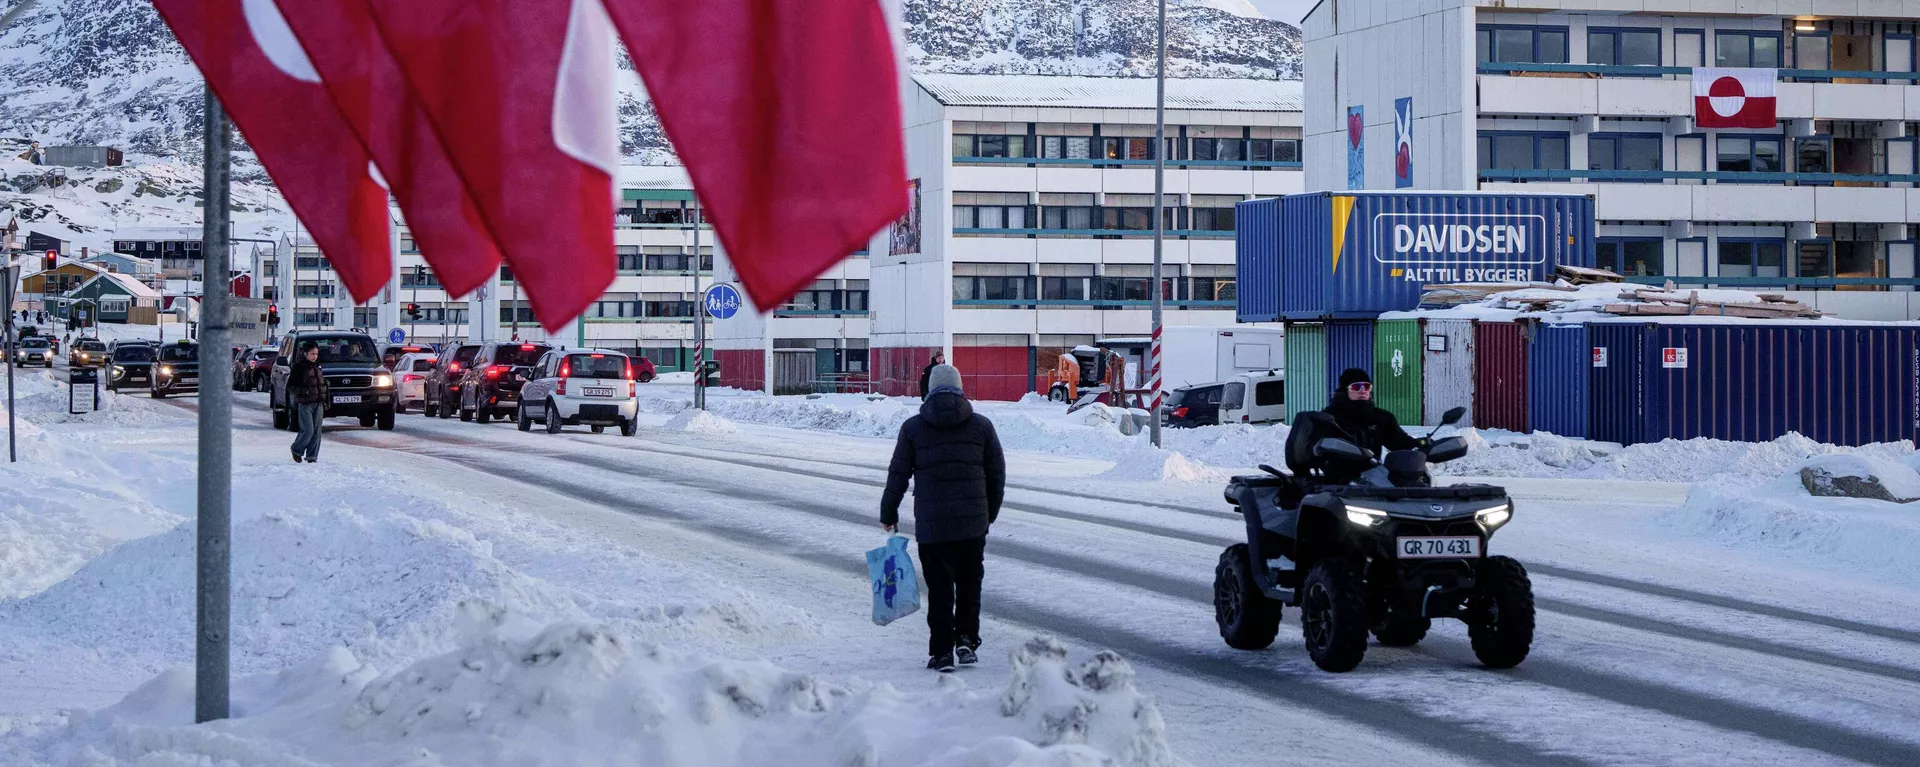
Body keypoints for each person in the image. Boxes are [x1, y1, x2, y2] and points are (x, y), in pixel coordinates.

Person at [880, 364, 1005, 672]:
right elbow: (997, 475)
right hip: (972, 524)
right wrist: (988, 514)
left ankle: (941, 653)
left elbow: (898, 474)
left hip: (932, 525)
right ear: (961, 389)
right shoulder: (982, 426)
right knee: (969, 583)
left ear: (930, 390)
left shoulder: (913, 428)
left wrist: (889, 511)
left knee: (939, 589)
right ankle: (965, 639)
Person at [1321, 367, 1418, 481]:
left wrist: (1420, 444)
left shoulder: (1382, 417)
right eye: (1356, 386)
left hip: (1374, 480)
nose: (1362, 390)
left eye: (1366, 386)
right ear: (1345, 390)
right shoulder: (1329, 417)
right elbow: (1318, 449)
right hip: (1337, 482)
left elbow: (1399, 443)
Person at [288, 341, 329, 464]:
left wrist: (325, 392)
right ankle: (296, 449)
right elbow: (290, 386)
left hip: (319, 403)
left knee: (317, 431)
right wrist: (304, 391)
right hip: (305, 403)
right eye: (312, 354)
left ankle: (312, 457)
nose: (315, 356)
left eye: (316, 354)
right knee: (308, 430)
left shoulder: (317, 366)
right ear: (305, 353)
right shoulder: (299, 367)